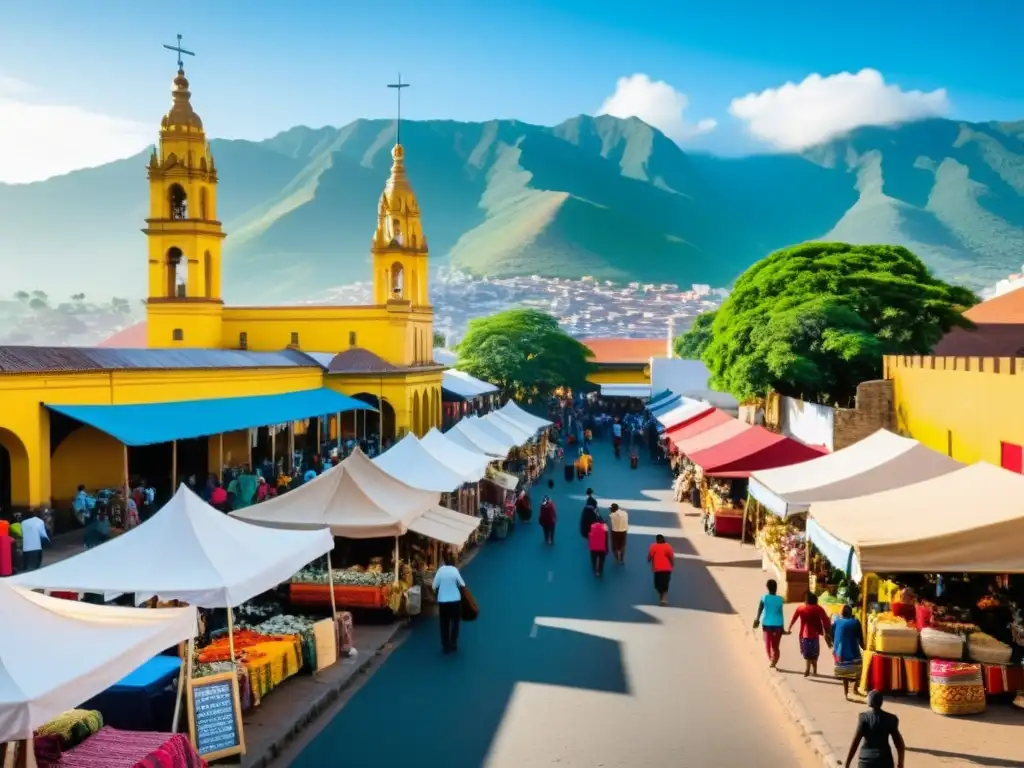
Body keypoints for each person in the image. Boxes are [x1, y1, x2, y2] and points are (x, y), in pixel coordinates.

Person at [844, 690, 905, 768]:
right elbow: (899, 743)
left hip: (866, 761)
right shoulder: (891, 719)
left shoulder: (864, 718)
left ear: (869, 702)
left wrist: (847, 763)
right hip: (884, 761)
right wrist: (901, 761)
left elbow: (855, 742)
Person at [788, 591, 833, 676]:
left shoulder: (800, 608)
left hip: (804, 634)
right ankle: (815, 669)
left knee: (807, 653)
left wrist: (789, 628)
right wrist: (829, 631)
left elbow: (793, 619)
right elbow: (826, 621)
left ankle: (807, 668)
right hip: (815, 635)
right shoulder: (819, 608)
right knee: (815, 653)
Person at [432, 553, 466, 654]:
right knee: (455, 622)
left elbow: (434, 585)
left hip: (443, 602)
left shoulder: (440, 571)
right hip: (455, 601)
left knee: (444, 623)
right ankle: (453, 642)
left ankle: (446, 645)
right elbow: (462, 584)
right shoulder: (455, 570)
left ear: (444, 561)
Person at [832, 604, 866, 699]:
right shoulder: (855, 622)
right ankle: (855, 689)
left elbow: (832, 634)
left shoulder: (837, 622)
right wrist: (864, 647)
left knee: (845, 675)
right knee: (860, 669)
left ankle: (846, 692)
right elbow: (860, 638)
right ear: (851, 613)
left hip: (839, 655)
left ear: (841, 613)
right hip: (853, 653)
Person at [753, 579, 785, 669]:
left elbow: (760, 609)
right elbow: (780, 614)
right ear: (776, 588)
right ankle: (775, 658)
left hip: (767, 624)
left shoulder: (764, 597)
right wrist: (782, 627)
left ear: (767, 587)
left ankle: (771, 659)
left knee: (767, 643)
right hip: (778, 625)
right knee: (775, 645)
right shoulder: (780, 599)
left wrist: (757, 619)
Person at [647, 533, 674, 604]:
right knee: (665, 584)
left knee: (657, 585)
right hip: (667, 569)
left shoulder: (653, 546)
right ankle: (663, 598)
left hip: (657, 569)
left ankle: (663, 599)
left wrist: (649, 559)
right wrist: (672, 564)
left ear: (656, 540)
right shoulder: (668, 547)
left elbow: (649, 556)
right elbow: (671, 557)